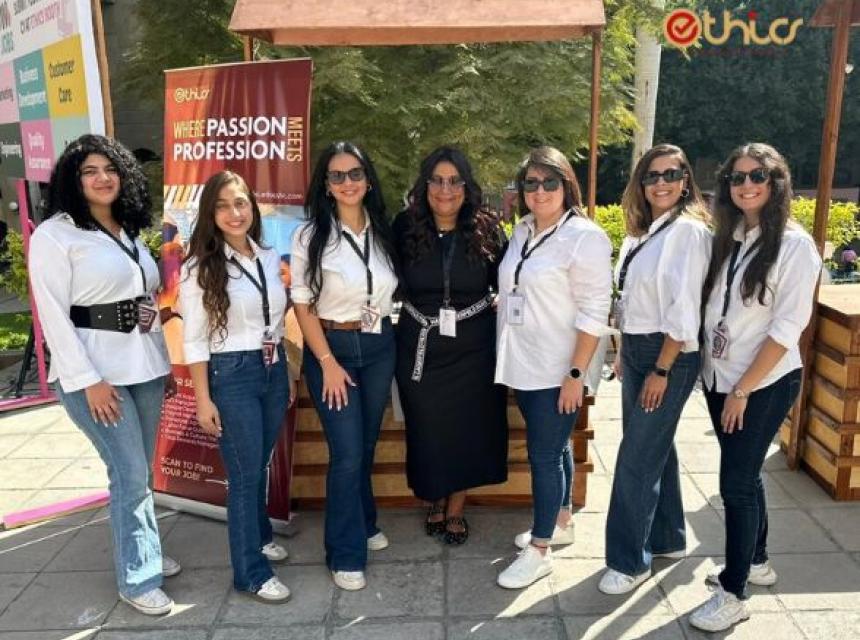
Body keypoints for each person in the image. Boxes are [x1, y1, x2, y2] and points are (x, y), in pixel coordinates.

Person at [29, 134, 179, 615]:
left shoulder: (127, 229)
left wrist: (162, 359)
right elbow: (53, 315)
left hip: (144, 367)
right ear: (73, 180)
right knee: (129, 472)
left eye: (110, 169)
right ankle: (138, 578)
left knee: (141, 471)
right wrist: (88, 380)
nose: (102, 178)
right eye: (89, 171)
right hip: (96, 376)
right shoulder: (55, 235)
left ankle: (144, 548)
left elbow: (144, 302)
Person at [689, 143, 821, 632]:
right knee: (745, 475)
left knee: (736, 484)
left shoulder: (795, 246)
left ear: (776, 182)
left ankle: (734, 591)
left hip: (762, 383)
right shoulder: (732, 237)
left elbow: (787, 330)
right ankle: (757, 561)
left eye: (757, 176)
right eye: (737, 177)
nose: (746, 185)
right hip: (720, 377)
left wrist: (743, 390)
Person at [494, 146, 612, 589]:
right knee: (556, 446)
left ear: (567, 185)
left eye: (549, 182)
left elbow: (595, 309)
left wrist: (576, 375)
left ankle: (539, 550)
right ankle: (561, 521)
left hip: (559, 368)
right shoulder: (523, 230)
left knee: (543, 455)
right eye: (531, 183)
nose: (540, 191)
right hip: (524, 361)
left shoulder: (584, 237)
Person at [598, 144, 712, 595]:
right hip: (638, 348)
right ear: (641, 184)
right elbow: (631, 299)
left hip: (669, 353)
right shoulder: (643, 233)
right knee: (652, 447)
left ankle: (629, 561)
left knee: (636, 459)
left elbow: (684, 311)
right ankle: (667, 537)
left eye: (671, 174)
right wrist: (625, 352)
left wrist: (661, 369)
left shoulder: (688, 232)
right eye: (652, 175)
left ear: (686, 181)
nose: (661, 183)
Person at [180, 170, 293, 603]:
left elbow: (275, 320)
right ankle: (250, 573)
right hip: (231, 373)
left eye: (241, 202)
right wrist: (203, 399)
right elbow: (194, 339)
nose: (234, 213)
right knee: (245, 477)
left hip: (272, 367)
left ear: (252, 207)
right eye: (223, 205)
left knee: (259, 463)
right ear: (210, 213)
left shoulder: (267, 256)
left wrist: (285, 367)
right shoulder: (198, 267)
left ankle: (259, 537)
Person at [291, 141, 399, 591]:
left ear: (368, 179)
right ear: (326, 184)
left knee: (366, 444)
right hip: (331, 348)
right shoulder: (310, 236)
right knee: (348, 452)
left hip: (379, 345)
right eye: (337, 175)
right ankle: (345, 552)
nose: (347, 182)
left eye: (355, 173)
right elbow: (301, 305)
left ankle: (366, 521)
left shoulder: (384, 231)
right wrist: (327, 362)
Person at [393, 146, 508, 545]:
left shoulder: (487, 228)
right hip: (420, 347)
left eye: (455, 181)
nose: (446, 189)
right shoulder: (404, 226)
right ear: (425, 185)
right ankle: (434, 497)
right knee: (428, 429)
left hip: (473, 349)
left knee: (467, 429)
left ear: (466, 186)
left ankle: (455, 507)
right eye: (438, 181)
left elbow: (511, 279)